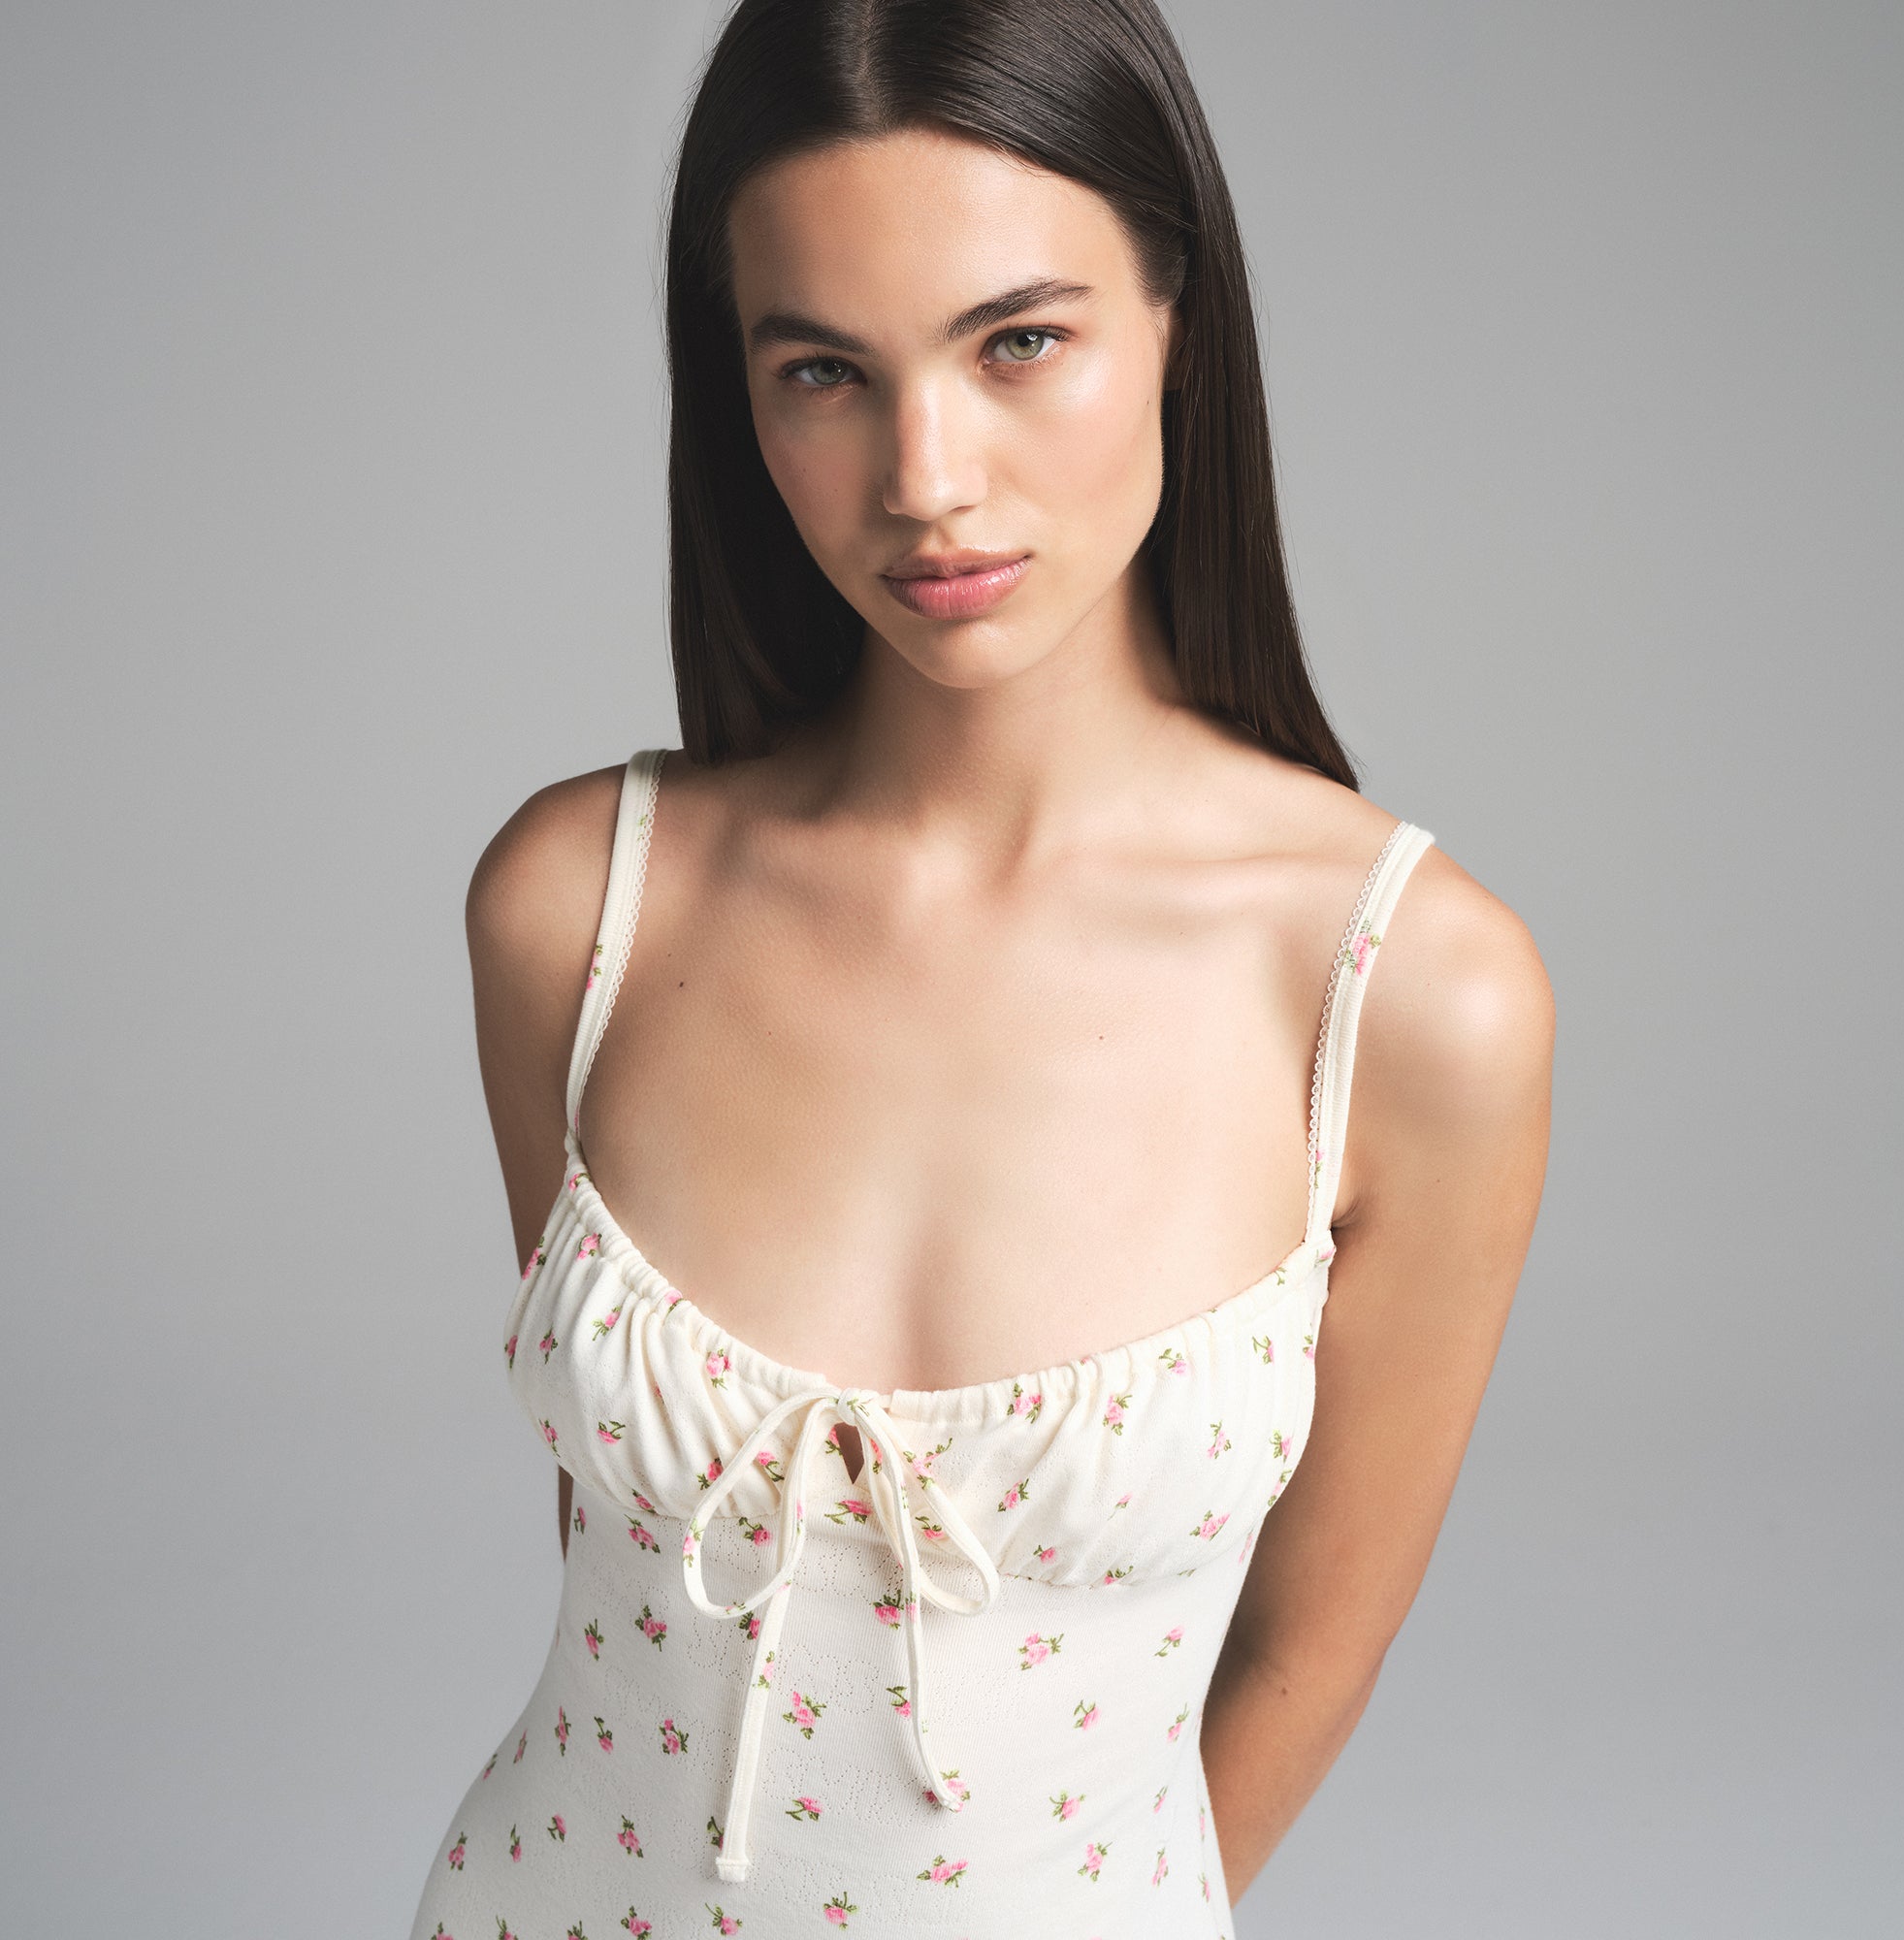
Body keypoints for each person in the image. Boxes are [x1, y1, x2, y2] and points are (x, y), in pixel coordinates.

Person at [410, 1, 1553, 1932]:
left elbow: (1313, 1649)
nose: (925, 476)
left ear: (1180, 320)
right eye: (823, 371)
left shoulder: (1406, 997)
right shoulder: (579, 913)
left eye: (1018, 341)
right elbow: (620, 1568)